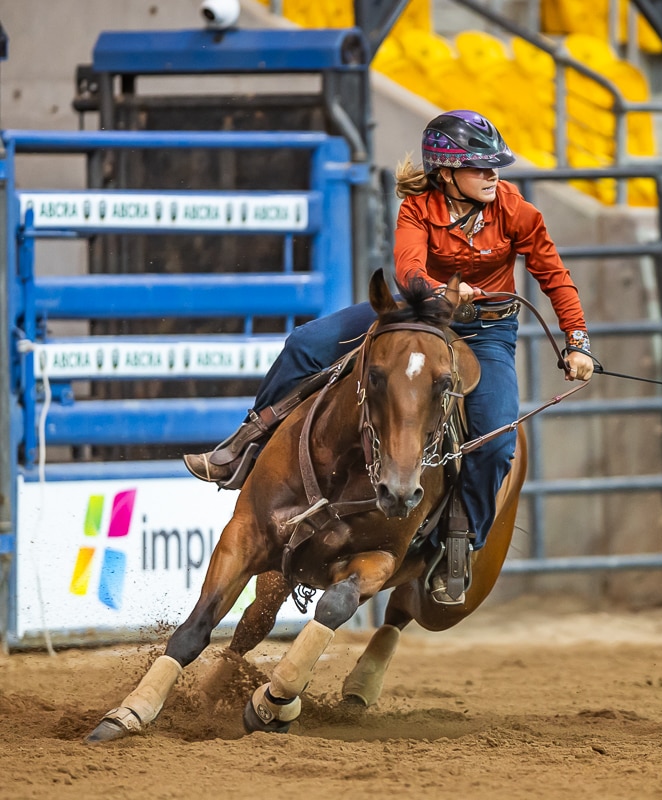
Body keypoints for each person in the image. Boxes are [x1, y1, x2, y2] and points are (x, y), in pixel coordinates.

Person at [183, 110, 595, 603]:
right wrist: (440, 293)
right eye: (481, 167)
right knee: (304, 345)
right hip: (413, 316)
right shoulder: (417, 208)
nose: (493, 175)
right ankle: (248, 442)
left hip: (486, 333)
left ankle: (463, 542)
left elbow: (554, 275)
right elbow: (408, 269)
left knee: (496, 442)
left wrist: (577, 341)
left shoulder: (518, 212)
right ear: (446, 173)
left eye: (495, 166)